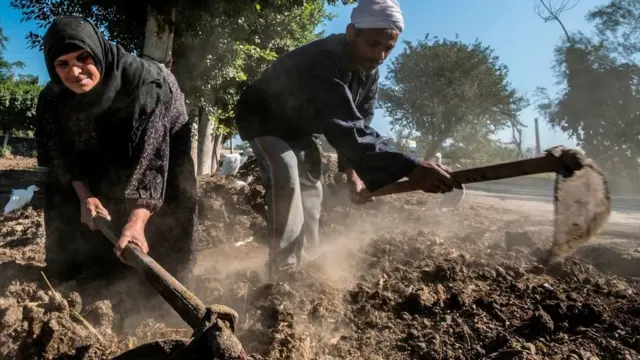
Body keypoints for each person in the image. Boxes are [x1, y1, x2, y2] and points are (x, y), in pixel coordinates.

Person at [234, 0, 457, 281]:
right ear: (352, 32)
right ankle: (282, 273)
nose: (381, 55)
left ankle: (307, 264)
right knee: (286, 173)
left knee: (312, 186)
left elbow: (360, 121)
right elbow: (343, 125)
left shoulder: (369, 73)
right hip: (263, 119)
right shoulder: (323, 61)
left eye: (388, 48)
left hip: (300, 130)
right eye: (374, 44)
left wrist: (353, 172)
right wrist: (410, 167)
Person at [35, 15, 198, 329]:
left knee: (173, 200)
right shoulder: (53, 99)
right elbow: (62, 156)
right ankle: (77, 276)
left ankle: (164, 297)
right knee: (61, 188)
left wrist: (137, 221)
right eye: (63, 64)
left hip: (161, 137)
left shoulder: (146, 84)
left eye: (83, 58)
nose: (75, 71)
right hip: (98, 137)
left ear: (97, 52)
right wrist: (85, 196)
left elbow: (152, 163)